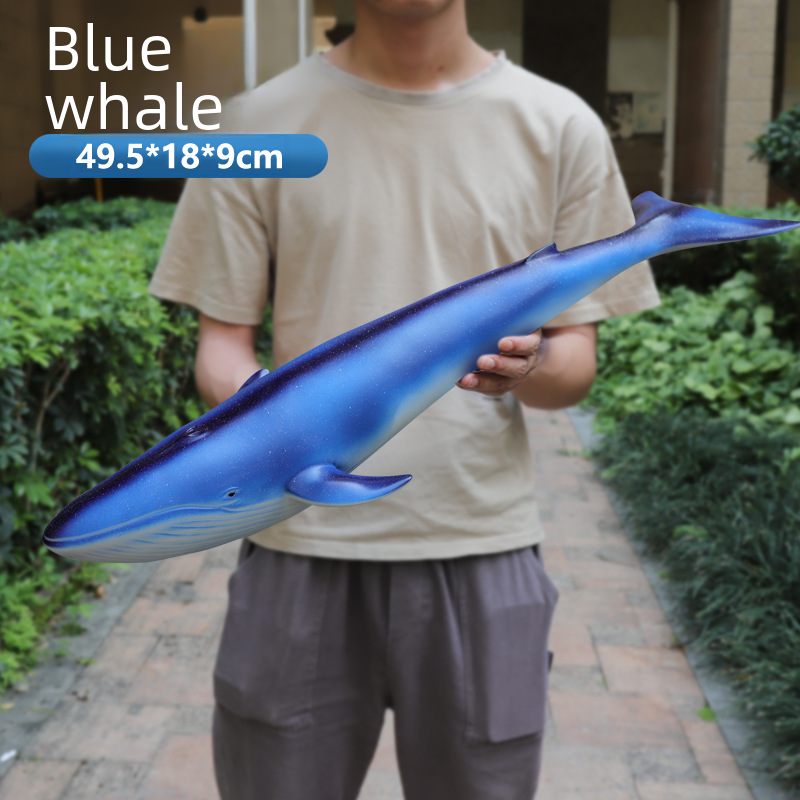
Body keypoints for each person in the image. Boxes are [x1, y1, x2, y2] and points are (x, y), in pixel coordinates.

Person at [150, 0, 660, 797]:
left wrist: (528, 366)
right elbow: (221, 346)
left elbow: (573, 367)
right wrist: (270, 428)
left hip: (480, 544)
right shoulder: (256, 124)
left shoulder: (560, 126)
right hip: (299, 547)